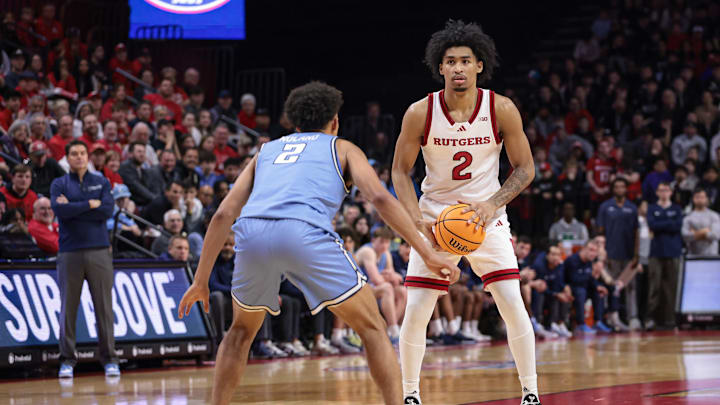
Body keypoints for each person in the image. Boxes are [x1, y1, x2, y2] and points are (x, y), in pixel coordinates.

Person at [178, 81, 459, 405]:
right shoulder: (342, 147)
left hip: (252, 234)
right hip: (303, 232)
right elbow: (381, 198)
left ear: (294, 123)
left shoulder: (266, 151)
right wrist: (428, 252)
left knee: (239, 333)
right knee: (372, 327)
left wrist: (199, 280)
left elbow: (223, 213)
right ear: (335, 121)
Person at [390, 20, 540, 405]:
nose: (457, 68)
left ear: (479, 66)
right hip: (436, 220)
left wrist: (492, 204)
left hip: (485, 219)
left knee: (511, 300)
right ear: (439, 67)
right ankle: (410, 395)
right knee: (418, 309)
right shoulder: (419, 112)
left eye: (465, 61)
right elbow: (399, 172)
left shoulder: (501, 108)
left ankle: (530, 393)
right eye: (450, 61)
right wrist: (414, 219)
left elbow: (525, 168)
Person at [50, 140, 119, 378]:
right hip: (69, 252)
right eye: (74, 153)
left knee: (104, 308)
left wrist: (74, 207)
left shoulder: (100, 181)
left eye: (82, 153)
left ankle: (110, 359)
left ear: (87, 157)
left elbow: (107, 210)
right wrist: (89, 205)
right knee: (68, 308)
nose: (79, 157)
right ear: (67, 158)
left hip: (99, 250)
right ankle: (67, 360)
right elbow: (60, 211)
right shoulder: (59, 183)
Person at [597, 178, 640, 331]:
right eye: (617, 186)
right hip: (611, 253)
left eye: (622, 186)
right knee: (612, 286)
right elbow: (600, 232)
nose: (620, 189)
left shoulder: (632, 208)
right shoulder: (605, 207)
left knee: (631, 288)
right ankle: (612, 318)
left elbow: (637, 232)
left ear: (626, 189)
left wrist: (636, 255)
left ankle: (632, 317)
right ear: (613, 189)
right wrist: (603, 253)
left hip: (628, 255)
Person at [355, 227, 407, 343]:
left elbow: (395, 279)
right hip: (357, 288)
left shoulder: (386, 254)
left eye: (387, 242)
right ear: (373, 240)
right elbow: (375, 280)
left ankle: (391, 329)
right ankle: (393, 329)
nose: (385, 245)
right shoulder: (367, 252)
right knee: (387, 288)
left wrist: (389, 276)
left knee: (402, 291)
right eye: (382, 242)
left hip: (371, 288)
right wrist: (388, 276)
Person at [646, 182, 683, 330]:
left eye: (666, 190)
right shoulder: (652, 208)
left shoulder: (676, 208)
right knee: (654, 287)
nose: (664, 193)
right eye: (661, 190)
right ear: (657, 192)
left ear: (671, 192)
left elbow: (677, 226)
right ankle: (651, 318)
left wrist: (661, 224)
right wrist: (668, 223)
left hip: (673, 252)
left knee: (671, 287)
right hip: (656, 252)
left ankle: (671, 319)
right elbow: (652, 225)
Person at [118, 141, 162, 206]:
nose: (142, 154)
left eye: (144, 152)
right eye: (139, 151)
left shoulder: (142, 169)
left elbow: (151, 186)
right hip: (131, 204)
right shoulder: (126, 167)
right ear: (130, 154)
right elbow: (137, 188)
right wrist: (155, 199)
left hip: (142, 203)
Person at [682, 189, 720, 256]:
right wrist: (705, 231)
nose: (700, 199)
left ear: (706, 199)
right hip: (693, 256)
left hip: (711, 255)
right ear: (693, 199)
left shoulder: (714, 215)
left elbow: (716, 235)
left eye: (702, 197)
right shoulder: (688, 217)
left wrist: (695, 233)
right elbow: (685, 236)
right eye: (697, 197)